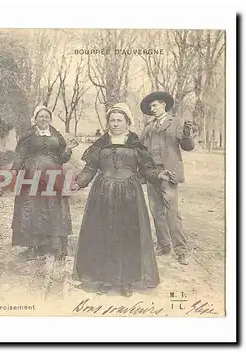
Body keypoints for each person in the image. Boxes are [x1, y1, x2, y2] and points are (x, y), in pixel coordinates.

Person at [72, 103, 173, 297]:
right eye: (112, 120)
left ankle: (126, 280)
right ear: (108, 122)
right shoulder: (100, 144)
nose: (115, 124)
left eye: (119, 120)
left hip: (129, 195)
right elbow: (90, 169)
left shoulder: (136, 145)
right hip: (102, 195)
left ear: (127, 122)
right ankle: (103, 279)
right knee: (102, 236)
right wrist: (79, 182)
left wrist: (160, 175)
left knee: (128, 236)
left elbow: (146, 170)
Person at [11, 105, 73, 280]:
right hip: (32, 174)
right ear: (35, 119)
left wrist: (68, 149)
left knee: (53, 207)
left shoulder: (56, 135)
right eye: (40, 116)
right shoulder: (29, 135)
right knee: (33, 208)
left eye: (46, 116)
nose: (43, 119)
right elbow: (20, 154)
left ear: (50, 119)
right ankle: (34, 244)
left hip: (54, 175)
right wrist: (15, 170)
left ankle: (54, 243)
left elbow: (62, 158)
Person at [139, 91, 195, 265]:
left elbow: (188, 146)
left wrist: (187, 133)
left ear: (163, 105)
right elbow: (141, 150)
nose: (152, 109)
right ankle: (164, 246)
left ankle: (181, 251)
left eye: (154, 105)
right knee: (156, 211)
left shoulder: (177, 123)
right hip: (152, 175)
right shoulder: (148, 127)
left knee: (172, 213)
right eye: (150, 107)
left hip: (169, 175)